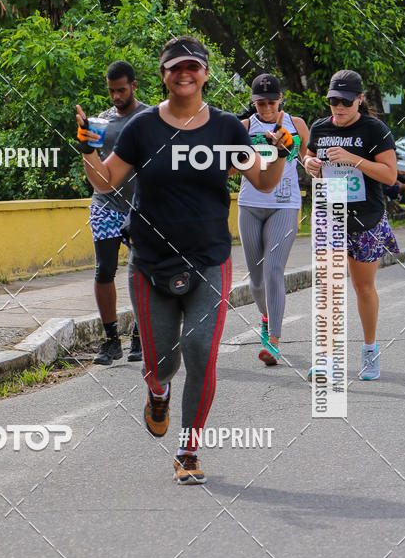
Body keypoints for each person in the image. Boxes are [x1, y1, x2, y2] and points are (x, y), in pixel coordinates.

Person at [77, 36, 288, 483]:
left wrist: (283, 154)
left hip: (210, 259)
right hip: (150, 264)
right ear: (164, 74)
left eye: (192, 66)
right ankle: (158, 390)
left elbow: (264, 182)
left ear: (205, 73)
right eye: (175, 67)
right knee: (161, 363)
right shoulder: (142, 128)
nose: (184, 73)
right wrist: (88, 148)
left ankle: (189, 449)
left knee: (199, 352)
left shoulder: (229, 129)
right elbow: (104, 181)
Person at [304, 69, 398, 381]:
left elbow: (389, 176)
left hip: (366, 219)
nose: (339, 107)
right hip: (331, 216)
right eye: (333, 100)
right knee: (329, 288)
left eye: (345, 101)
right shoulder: (319, 127)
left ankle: (370, 350)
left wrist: (352, 158)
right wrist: (310, 165)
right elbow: (308, 159)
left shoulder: (375, 130)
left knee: (362, 287)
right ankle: (327, 359)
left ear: (359, 99)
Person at [76, 61, 148, 365]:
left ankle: (140, 334)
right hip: (105, 205)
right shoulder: (101, 122)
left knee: (141, 272)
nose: (116, 96)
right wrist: (85, 142)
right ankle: (110, 339)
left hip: (141, 207)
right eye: (111, 91)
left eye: (121, 89)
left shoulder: (149, 118)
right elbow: (93, 167)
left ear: (133, 85)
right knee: (104, 269)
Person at [237, 74, 309, 365]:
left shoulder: (298, 124)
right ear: (253, 103)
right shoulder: (243, 127)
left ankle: (274, 342)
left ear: (281, 100)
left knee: (273, 270)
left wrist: (291, 148)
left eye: (271, 102)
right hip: (250, 205)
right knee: (255, 280)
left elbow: (306, 162)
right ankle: (266, 318)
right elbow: (232, 165)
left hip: (285, 205)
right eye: (260, 103)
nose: (266, 109)